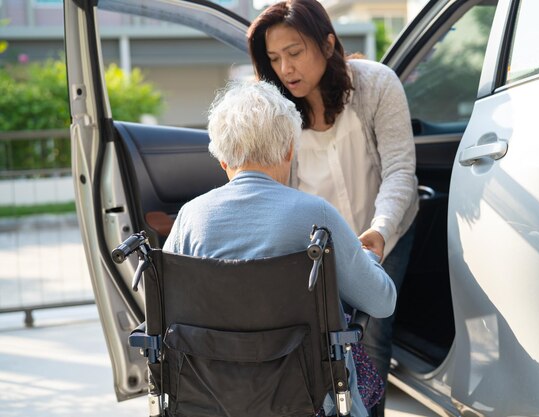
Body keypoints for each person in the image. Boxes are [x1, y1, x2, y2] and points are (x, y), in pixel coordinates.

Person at [162, 80, 396, 417]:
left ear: (223, 160)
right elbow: (382, 302)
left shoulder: (190, 218)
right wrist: (369, 260)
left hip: (210, 395)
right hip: (306, 398)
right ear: (289, 150)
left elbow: (165, 310)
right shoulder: (317, 216)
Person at [247, 1, 419, 414]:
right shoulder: (275, 108)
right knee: (315, 346)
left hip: (384, 233)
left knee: (369, 339)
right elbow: (270, 186)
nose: (286, 69)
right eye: (274, 59)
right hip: (315, 249)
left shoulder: (377, 84)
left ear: (327, 44)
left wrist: (380, 230)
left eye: (294, 53)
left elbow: (399, 170)